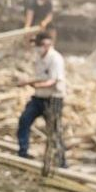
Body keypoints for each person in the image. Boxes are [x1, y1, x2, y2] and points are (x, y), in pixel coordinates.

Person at [16, 33, 65, 167]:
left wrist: (33, 84)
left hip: (53, 99)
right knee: (24, 120)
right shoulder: (38, 58)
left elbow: (53, 81)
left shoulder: (55, 59)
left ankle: (61, 161)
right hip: (38, 98)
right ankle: (23, 152)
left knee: (54, 130)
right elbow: (39, 77)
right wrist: (28, 82)